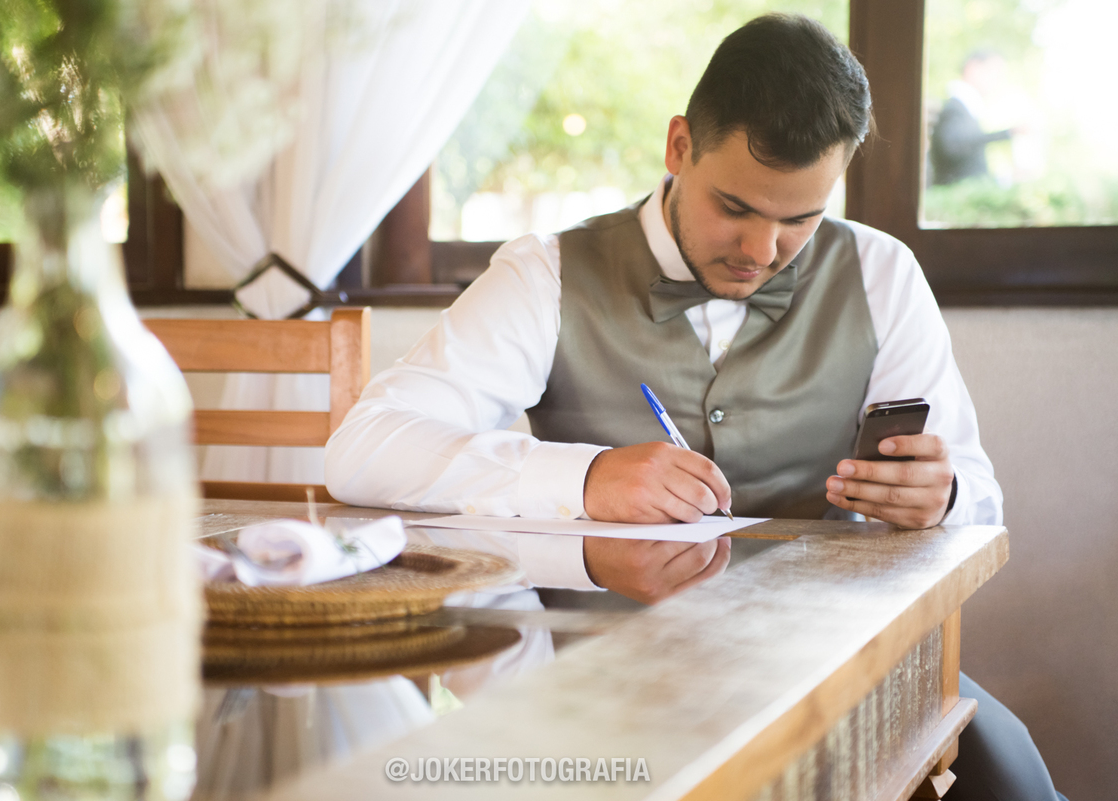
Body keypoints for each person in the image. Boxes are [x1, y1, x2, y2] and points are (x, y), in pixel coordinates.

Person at [326, 14, 1065, 800]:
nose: (761, 250)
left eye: (799, 220)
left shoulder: (883, 275)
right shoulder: (546, 274)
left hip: (835, 669)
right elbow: (362, 447)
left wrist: (943, 494)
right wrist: (586, 478)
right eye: (736, 207)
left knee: (1006, 775)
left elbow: (981, 499)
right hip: (603, 687)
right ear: (679, 146)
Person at [929, 50, 1015, 185]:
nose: (996, 80)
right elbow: (953, 147)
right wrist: (1006, 134)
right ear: (972, 68)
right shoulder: (955, 107)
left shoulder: (967, 108)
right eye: (993, 71)